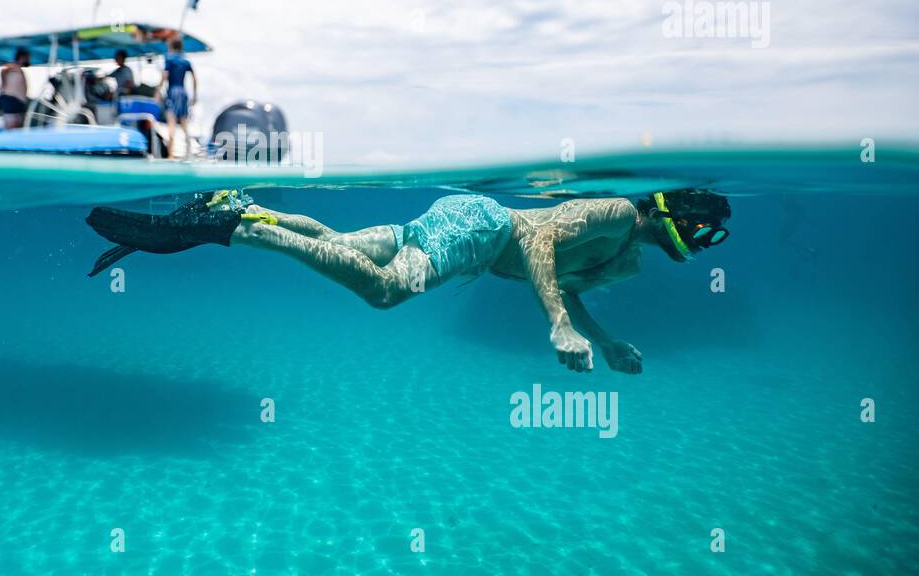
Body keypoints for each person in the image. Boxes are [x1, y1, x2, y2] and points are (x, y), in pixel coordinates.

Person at [85, 188, 732, 374]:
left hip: (472, 230)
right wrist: (557, 327)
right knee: (386, 290)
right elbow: (537, 236)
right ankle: (238, 230)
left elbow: (568, 287)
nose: (701, 246)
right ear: (682, 215)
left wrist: (606, 338)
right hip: (484, 228)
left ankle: (246, 207)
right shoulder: (618, 214)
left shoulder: (626, 255)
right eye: (704, 232)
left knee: (342, 246)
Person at [158, 37, 197, 159]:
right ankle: (188, 151)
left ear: (172, 46)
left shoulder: (169, 58)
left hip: (173, 92)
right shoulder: (186, 61)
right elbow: (195, 78)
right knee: (184, 123)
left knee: (171, 123)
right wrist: (195, 95)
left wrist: (158, 89)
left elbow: (165, 75)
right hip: (183, 92)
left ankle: (171, 154)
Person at [0, 49, 30, 130]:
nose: (28, 60)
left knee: (18, 124)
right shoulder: (12, 65)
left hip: (17, 100)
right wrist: (3, 83)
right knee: (12, 124)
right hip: (11, 98)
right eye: (27, 58)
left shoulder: (18, 68)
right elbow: (3, 70)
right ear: (22, 57)